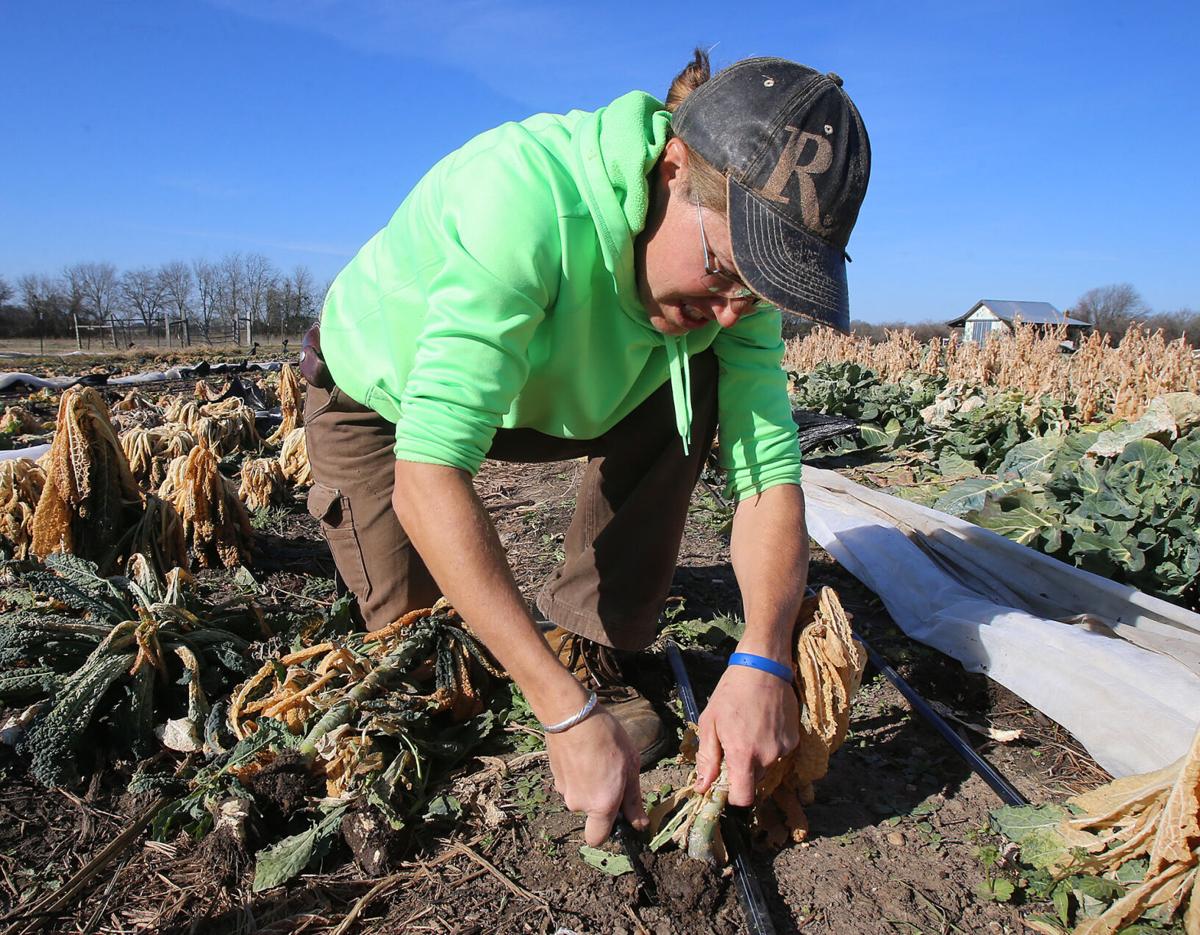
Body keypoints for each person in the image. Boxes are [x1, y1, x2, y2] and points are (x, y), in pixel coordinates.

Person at [301, 49, 870, 847]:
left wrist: (764, 653)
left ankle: (595, 643)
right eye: (722, 271)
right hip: (380, 397)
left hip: (554, 391)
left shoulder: (734, 288)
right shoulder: (523, 202)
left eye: (757, 288)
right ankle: (556, 683)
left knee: (704, 375)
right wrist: (560, 711)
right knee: (428, 664)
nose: (734, 308)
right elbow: (429, 474)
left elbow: (767, 476)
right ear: (674, 166)